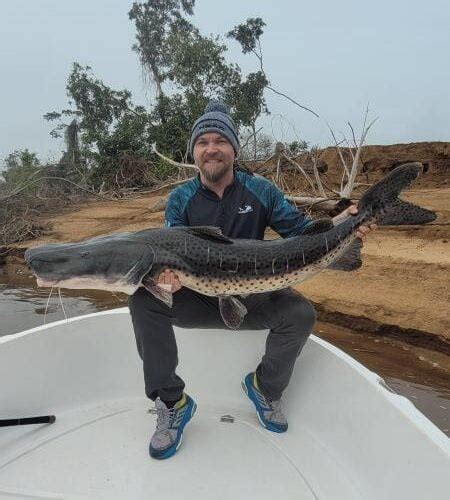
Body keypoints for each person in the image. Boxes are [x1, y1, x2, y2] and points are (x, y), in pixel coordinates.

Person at [129, 101, 375, 460]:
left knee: (300, 314)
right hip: (196, 297)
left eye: (219, 140)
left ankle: (263, 387)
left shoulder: (261, 190)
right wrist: (166, 281)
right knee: (142, 299)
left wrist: (349, 223)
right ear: (194, 152)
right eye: (203, 142)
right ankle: (173, 402)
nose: (211, 148)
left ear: (233, 149)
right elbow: (169, 253)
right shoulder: (180, 199)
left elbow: (304, 233)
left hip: (248, 298)